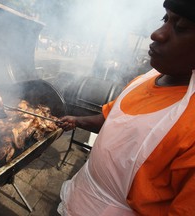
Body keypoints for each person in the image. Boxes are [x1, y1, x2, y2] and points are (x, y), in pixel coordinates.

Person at [56, 0, 195, 215]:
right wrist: (77, 120)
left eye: (181, 28)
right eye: (165, 19)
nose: (157, 34)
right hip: (78, 196)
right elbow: (112, 120)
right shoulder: (144, 79)